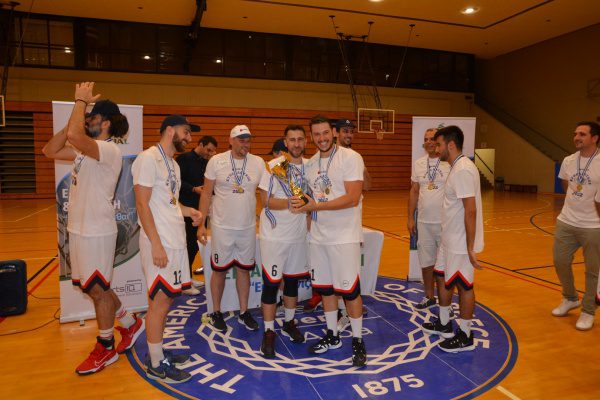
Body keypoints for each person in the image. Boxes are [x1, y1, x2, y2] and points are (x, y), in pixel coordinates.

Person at [42, 82, 144, 375]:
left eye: (93, 117)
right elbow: (49, 150)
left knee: (97, 291)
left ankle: (106, 347)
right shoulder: (84, 153)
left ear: (106, 122)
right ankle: (130, 323)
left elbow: (75, 136)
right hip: (79, 229)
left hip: (97, 231)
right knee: (99, 287)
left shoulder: (108, 150)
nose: (87, 121)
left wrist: (80, 102)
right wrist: (75, 119)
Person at [291, 114, 367, 367]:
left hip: (344, 237)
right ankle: (332, 334)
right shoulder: (311, 163)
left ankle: (357, 340)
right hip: (319, 237)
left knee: (350, 291)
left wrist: (317, 206)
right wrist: (300, 201)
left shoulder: (351, 157)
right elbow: (310, 198)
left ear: (333, 132)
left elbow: (353, 197)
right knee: (325, 290)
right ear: (311, 137)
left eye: (325, 133)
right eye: (317, 134)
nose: (321, 138)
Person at [133, 114, 202, 383]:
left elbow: (169, 202)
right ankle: (155, 364)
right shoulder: (147, 159)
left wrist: (188, 211)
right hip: (160, 243)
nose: (189, 137)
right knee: (159, 303)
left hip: (175, 242)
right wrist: (156, 244)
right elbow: (142, 204)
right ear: (170, 130)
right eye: (186, 131)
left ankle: (158, 351)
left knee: (166, 301)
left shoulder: (173, 164)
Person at [421, 125, 483, 353]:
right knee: (441, 276)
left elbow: (470, 210)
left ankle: (465, 335)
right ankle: (445, 323)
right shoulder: (455, 167)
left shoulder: (463, 170)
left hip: (459, 242)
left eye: (438, 144)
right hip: (449, 240)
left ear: (451, 144)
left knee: (464, 286)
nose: (435, 149)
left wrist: (470, 247)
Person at [197, 125, 266, 332]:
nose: (246, 143)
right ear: (231, 140)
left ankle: (244, 312)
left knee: (244, 270)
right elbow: (206, 193)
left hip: (247, 227)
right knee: (219, 271)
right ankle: (216, 312)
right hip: (222, 227)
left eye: (248, 140)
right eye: (241, 139)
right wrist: (201, 224)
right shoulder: (216, 161)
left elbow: (266, 193)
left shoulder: (258, 162)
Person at [258, 125, 309, 358]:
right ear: (285, 142)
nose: (297, 144)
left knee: (292, 282)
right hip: (275, 236)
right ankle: (269, 331)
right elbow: (265, 200)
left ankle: (289, 322)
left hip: (298, 236)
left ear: (305, 141)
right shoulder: (275, 165)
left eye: (300, 139)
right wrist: (290, 202)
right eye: (292, 140)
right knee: (271, 284)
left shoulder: (311, 166)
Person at [552, 121, 600, 330]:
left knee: (593, 271)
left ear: (594, 138)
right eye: (575, 133)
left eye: (582, 134)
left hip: (593, 226)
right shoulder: (569, 160)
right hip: (567, 221)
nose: (576, 137)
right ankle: (570, 298)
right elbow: (566, 184)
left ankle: (588, 310)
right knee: (560, 261)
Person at [408, 128, 450, 309]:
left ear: (439, 141)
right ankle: (429, 296)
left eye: (432, 138)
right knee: (426, 262)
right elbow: (414, 191)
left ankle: (445, 302)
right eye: (426, 139)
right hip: (424, 222)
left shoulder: (448, 163)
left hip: (445, 223)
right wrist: (410, 218)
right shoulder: (418, 163)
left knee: (444, 264)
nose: (429, 142)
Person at [176, 135, 218, 289]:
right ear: (200, 144)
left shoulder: (208, 163)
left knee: (195, 245)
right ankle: (183, 281)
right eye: (208, 150)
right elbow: (177, 182)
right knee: (187, 245)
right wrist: (193, 189)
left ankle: (187, 278)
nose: (210, 154)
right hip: (186, 209)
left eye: (212, 152)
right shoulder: (183, 159)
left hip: (201, 210)